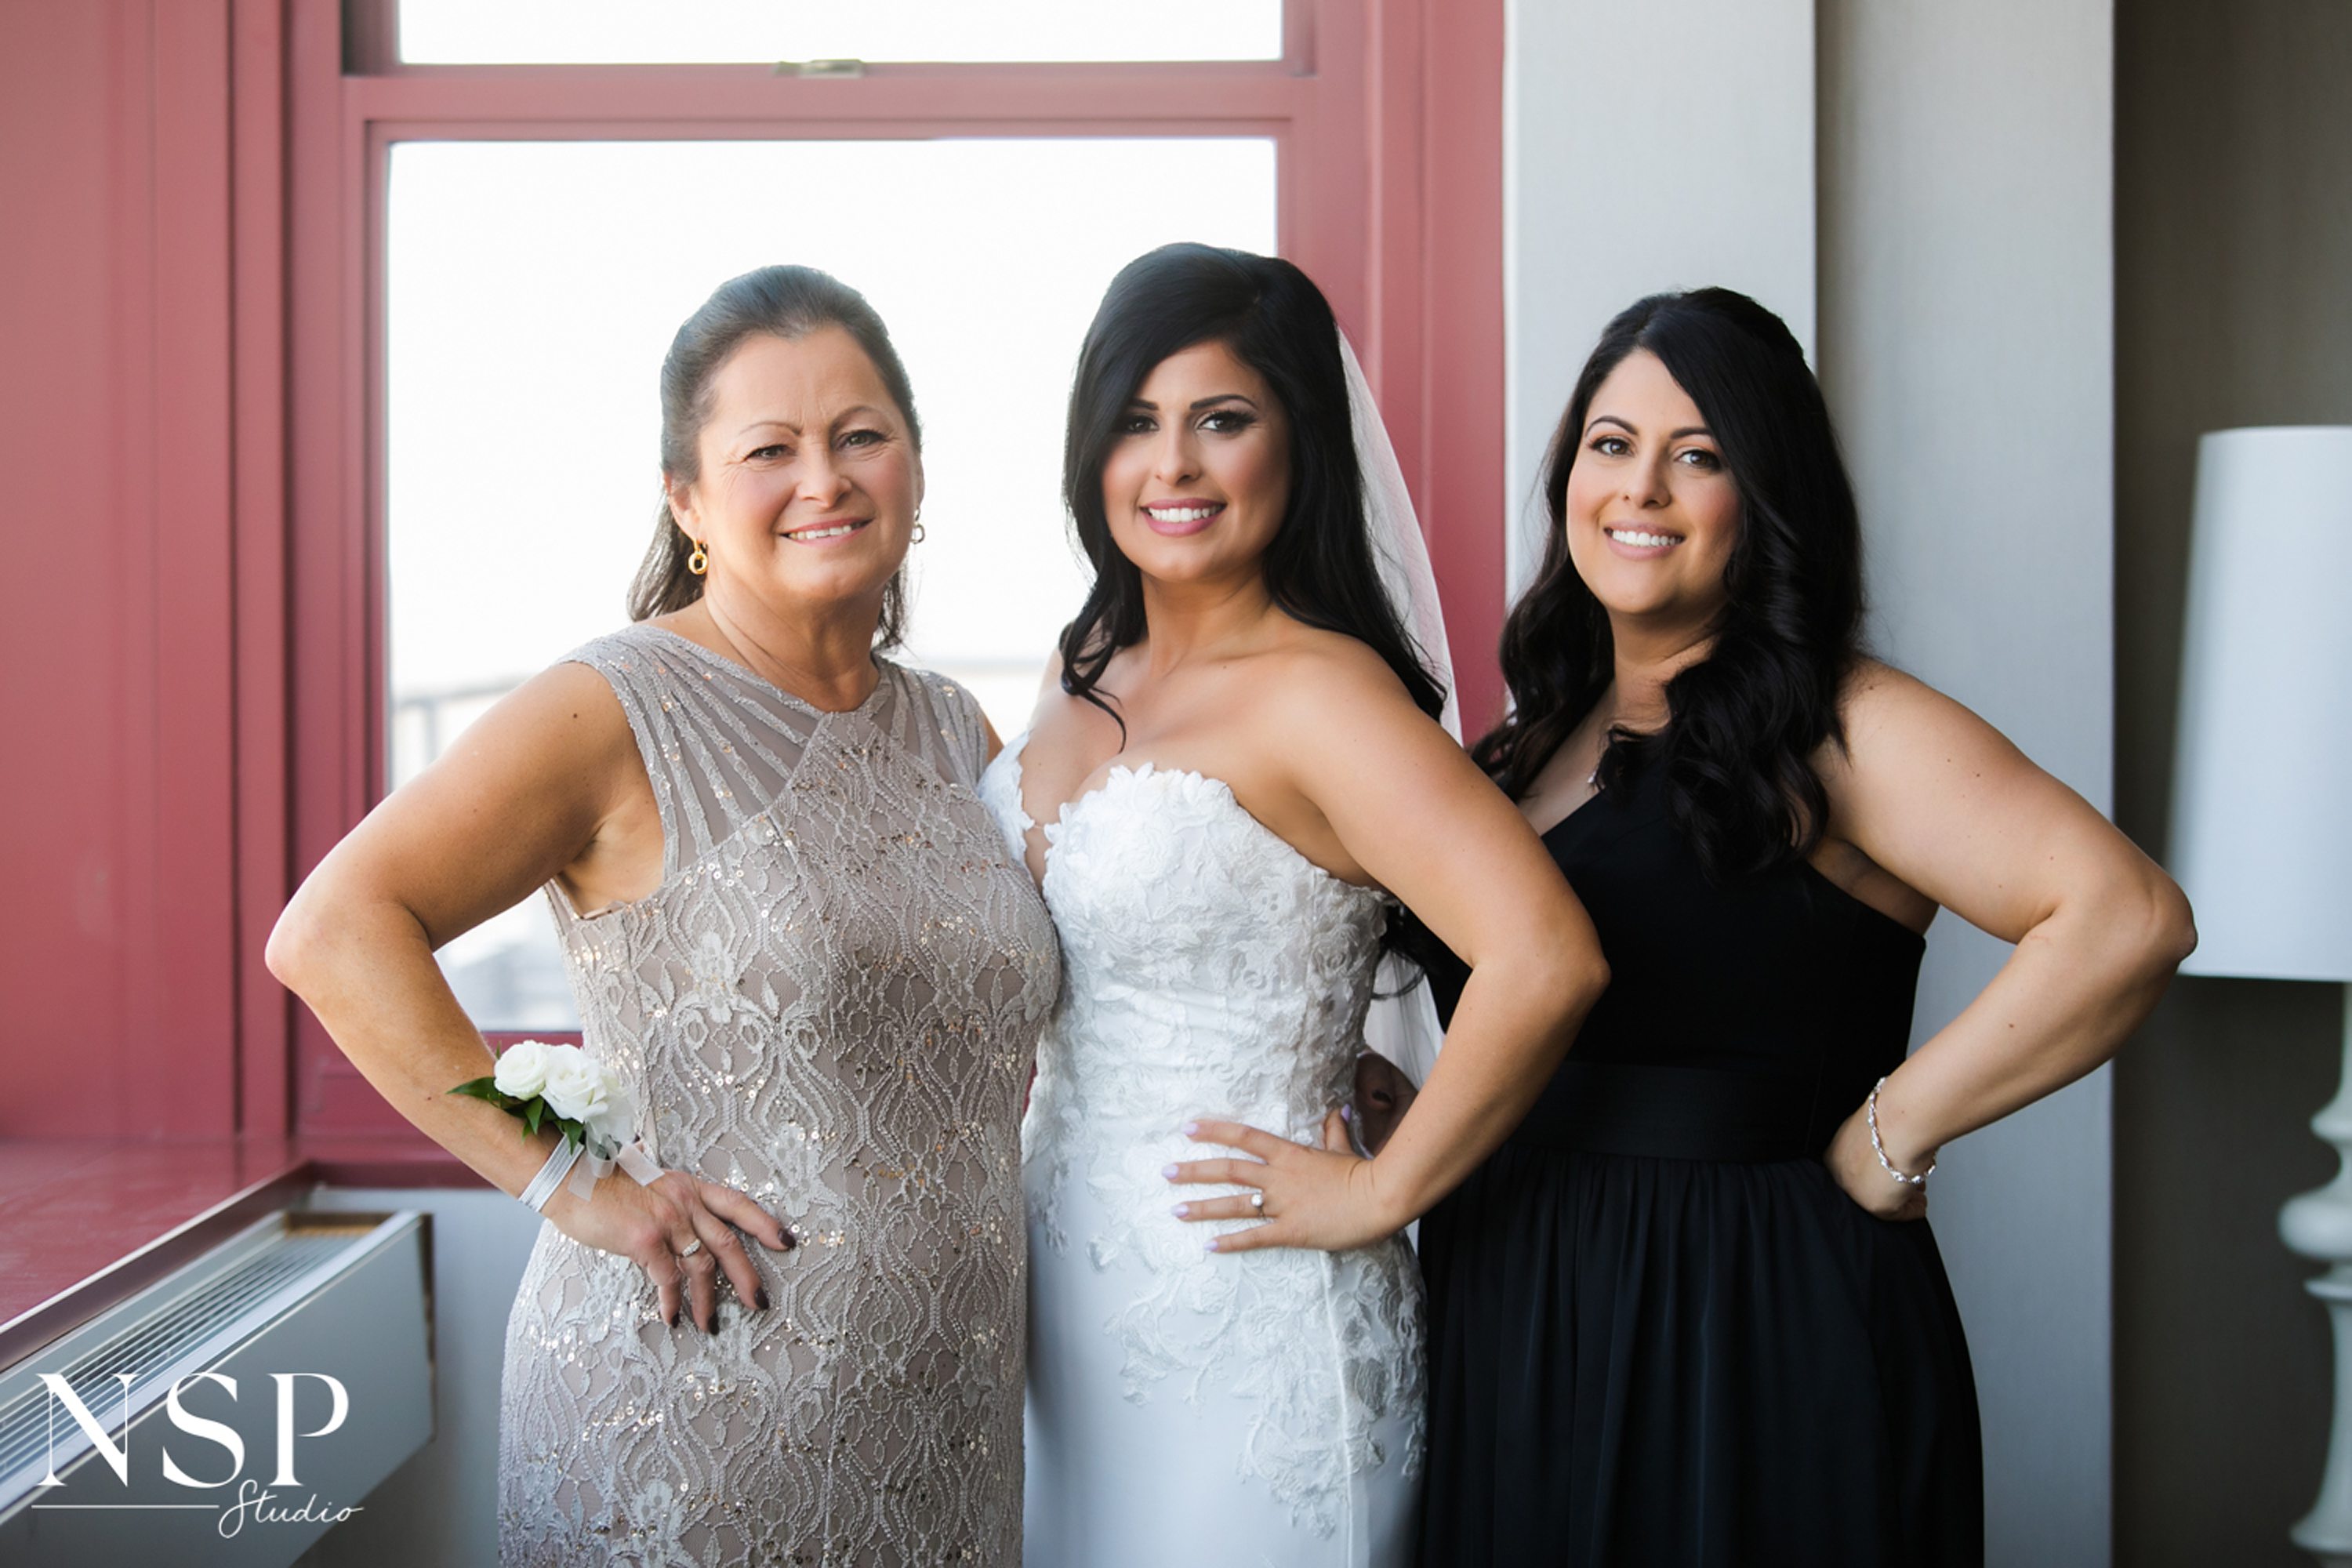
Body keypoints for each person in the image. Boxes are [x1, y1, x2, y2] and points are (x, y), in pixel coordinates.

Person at [267, 265, 1060, 1566]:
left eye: (862, 436)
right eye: (771, 449)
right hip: (698, 1404)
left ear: (915, 471)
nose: (826, 479)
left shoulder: (951, 729)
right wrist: (565, 1179)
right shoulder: (616, 704)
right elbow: (334, 928)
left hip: (949, 1418)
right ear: (688, 501)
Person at [1396, 288, 2198, 1564]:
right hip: (1517, 1293)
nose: (1639, 491)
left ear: (1768, 496)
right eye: (1611, 446)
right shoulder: (1535, 733)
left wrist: (1899, 1132)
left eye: (1697, 456)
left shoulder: (1844, 722)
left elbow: (2128, 917)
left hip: (1746, 1312)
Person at [977, 242, 1607, 1568]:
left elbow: (1546, 957)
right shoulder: (1081, 660)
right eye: (1138, 423)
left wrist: (1384, 1194)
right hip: (1062, 1293)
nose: (1175, 468)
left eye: (1223, 420)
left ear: (1299, 440)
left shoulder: (1324, 696)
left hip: (1252, 1310)